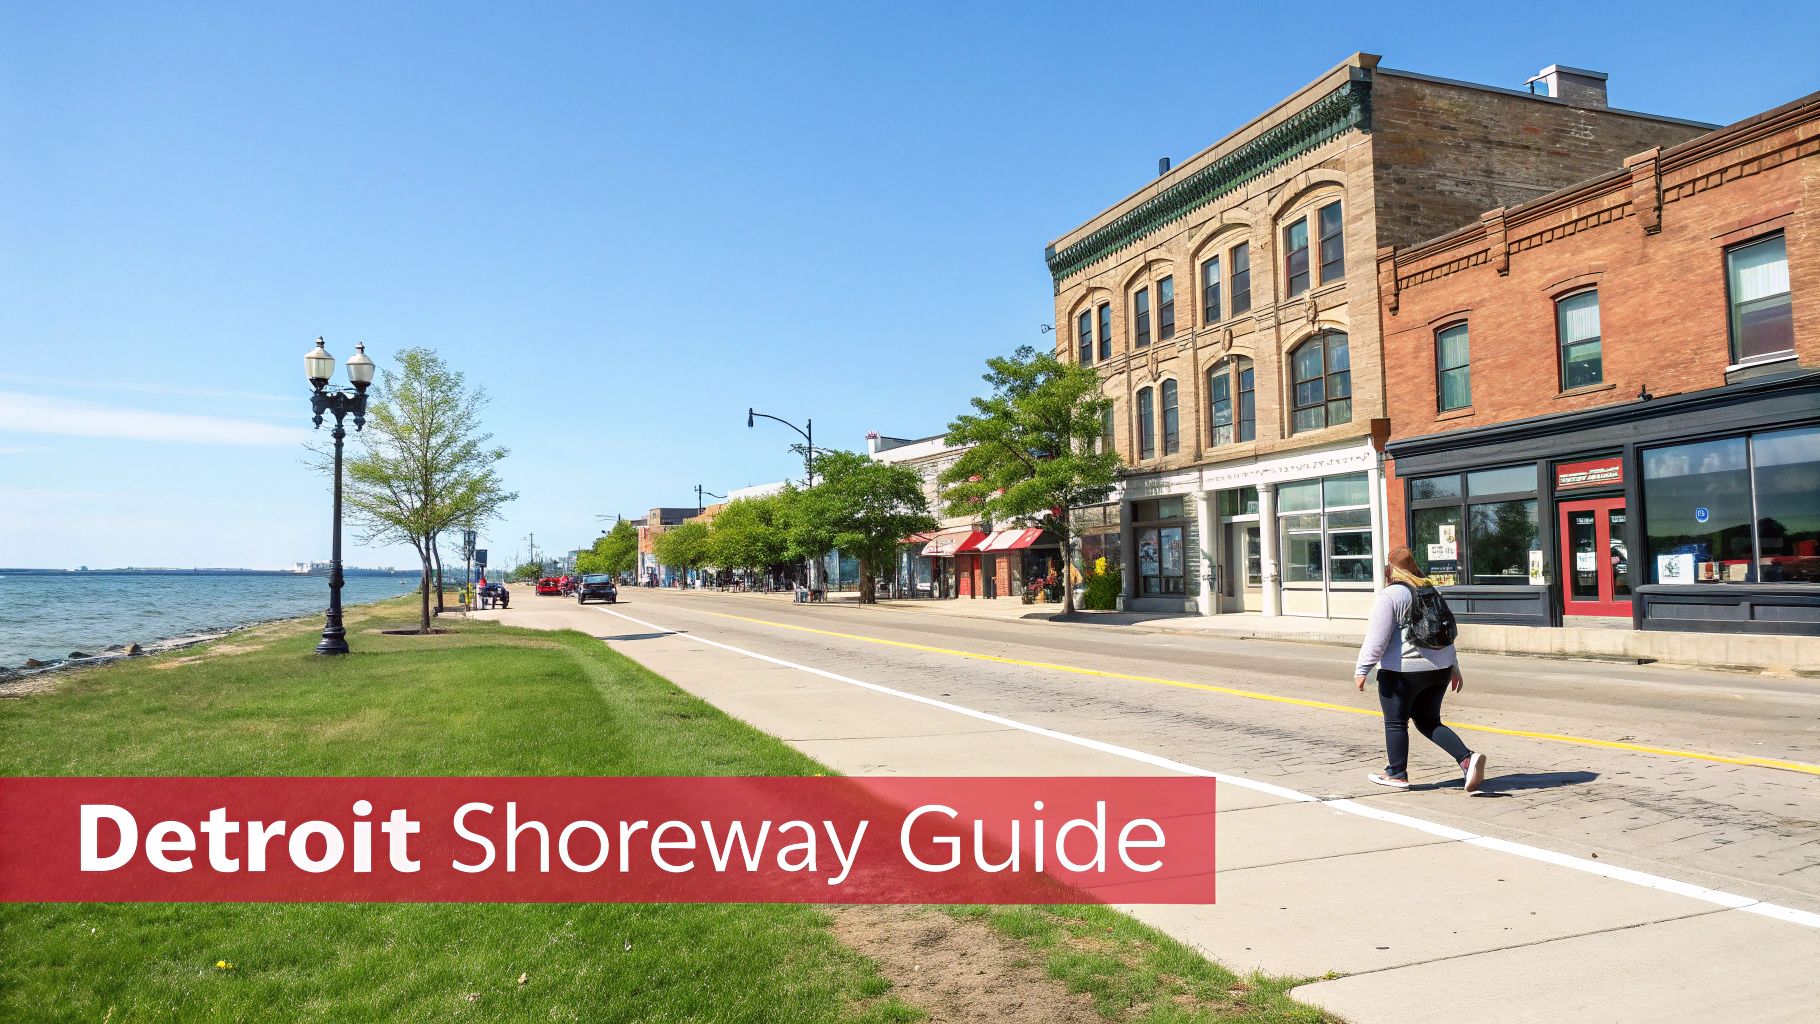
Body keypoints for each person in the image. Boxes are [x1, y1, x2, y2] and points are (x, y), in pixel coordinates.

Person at [1353, 546, 1486, 794]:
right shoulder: (1429, 589)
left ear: (1390, 569)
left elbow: (1377, 638)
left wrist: (1363, 670)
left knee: (1395, 722)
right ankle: (1467, 760)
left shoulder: (1391, 595)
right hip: (1440, 671)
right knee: (1428, 720)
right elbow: (1446, 630)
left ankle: (1396, 773)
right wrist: (1454, 666)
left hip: (1403, 672)